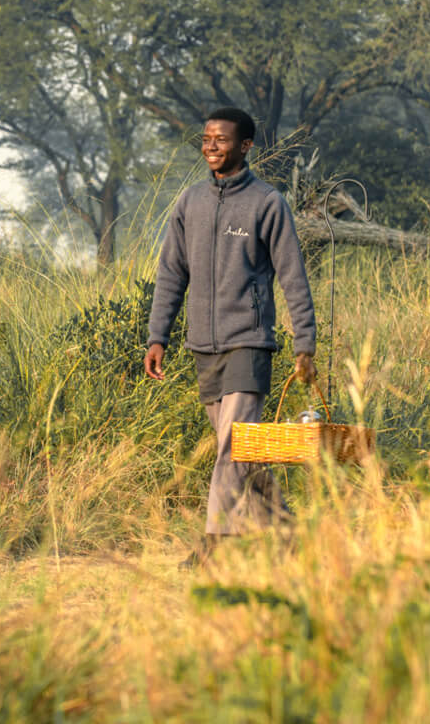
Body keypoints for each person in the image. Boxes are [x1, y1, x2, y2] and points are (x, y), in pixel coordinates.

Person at [143, 107, 317, 566]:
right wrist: (157, 336)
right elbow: (170, 275)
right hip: (203, 347)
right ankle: (286, 535)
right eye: (206, 139)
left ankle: (214, 547)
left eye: (221, 140)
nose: (211, 147)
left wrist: (305, 343)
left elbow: (292, 275)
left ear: (245, 146)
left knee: (231, 447)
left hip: (249, 343)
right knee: (246, 452)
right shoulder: (190, 203)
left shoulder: (266, 203)